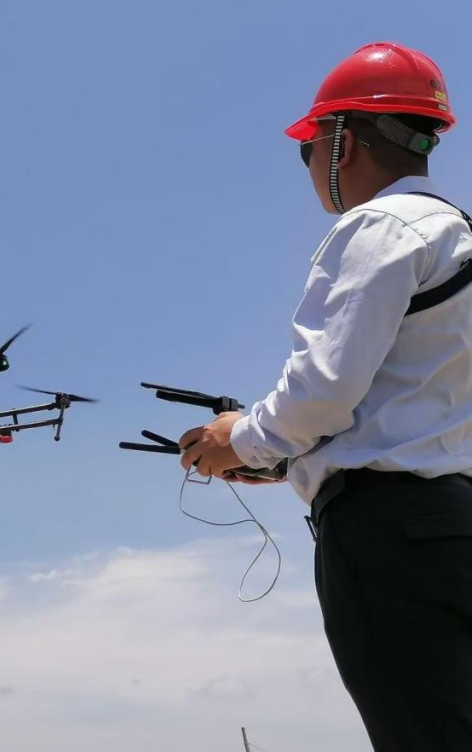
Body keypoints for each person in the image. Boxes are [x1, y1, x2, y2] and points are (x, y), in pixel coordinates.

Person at [177, 41, 472, 750]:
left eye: (307, 147)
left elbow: (324, 390)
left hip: (388, 534)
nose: (309, 163)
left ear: (341, 141)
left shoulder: (380, 226)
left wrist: (239, 440)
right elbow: (408, 405)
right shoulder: (455, 235)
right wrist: (283, 459)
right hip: (451, 524)